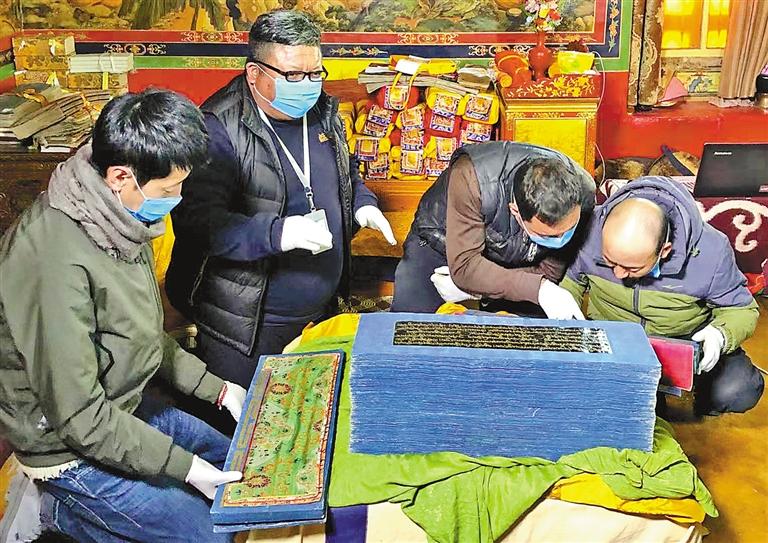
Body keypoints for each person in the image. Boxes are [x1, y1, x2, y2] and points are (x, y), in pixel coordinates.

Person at [0, 89, 246, 542]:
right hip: (64, 442)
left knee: (240, 468)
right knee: (210, 534)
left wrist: (218, 391)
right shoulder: (51, 262)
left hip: (120, 402)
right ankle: (61, 508)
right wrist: (186, 469)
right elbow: (79, 417)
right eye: (169, 190)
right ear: (120, 176)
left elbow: (138, 330)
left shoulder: (116, 213)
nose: (178, 198)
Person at [166, 9, 394, 388]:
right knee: (250, 416)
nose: (307, 85)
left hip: (320, 311)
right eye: (293, 75)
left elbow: (345, 170)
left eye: (315, 73)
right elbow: (199, 225)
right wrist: (278, 233)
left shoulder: (321, 111)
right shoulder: (217, 127)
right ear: (254, 73)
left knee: (311, 410)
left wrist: (362, 203)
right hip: (248, 325)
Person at [560, 176, 763, 415]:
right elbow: (571, 282)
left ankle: (692, 392)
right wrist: (563, 317)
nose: (618, 274)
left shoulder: (712, 251)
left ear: (664, 250)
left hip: (682, 340)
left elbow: (741, 309)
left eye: (632, 268)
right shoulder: (588, 229)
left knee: (737, 390)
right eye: (609, 261)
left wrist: (720, 335)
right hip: (613, 338)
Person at [391, 142, 596, 317]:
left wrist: (479, 291)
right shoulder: (471, 178)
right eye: (548, 236)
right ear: (515, 211)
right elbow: (465, 266)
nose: (561, 239)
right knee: (407, 326)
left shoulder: (583, 193)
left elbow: (548, 272)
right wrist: (537, 288)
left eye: (569, 230)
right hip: (443, 240)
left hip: (517, 258)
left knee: (530, 336)